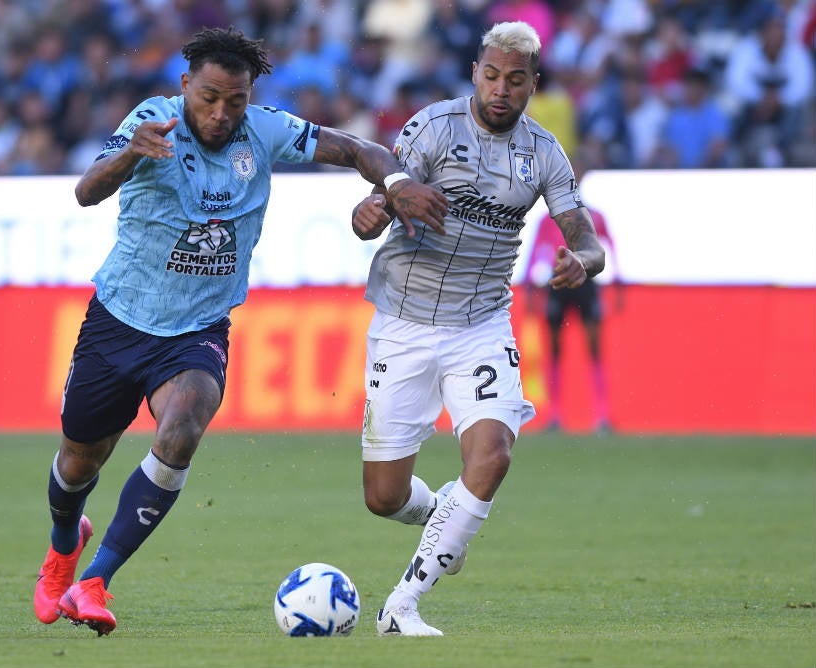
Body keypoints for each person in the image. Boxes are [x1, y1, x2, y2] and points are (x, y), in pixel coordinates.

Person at [32, 26, 448, 636]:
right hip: (117, 323)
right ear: (185, 87)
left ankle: (94, 582)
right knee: (75, 466)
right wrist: (129, 153)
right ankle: (64, 548)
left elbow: (359, 150)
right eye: (209, 98)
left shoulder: (267, 130)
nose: (222, 112)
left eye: (236, 100)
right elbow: (85, 191)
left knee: (184, 425)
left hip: (197, 331)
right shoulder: (152, 121)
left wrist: (394, 184)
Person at [350, 20, 604, 636]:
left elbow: (587, 238)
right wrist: (370, 212)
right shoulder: (434, 127)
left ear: (531, 85)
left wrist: (584, 261)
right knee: (384, 496)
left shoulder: (544, 152)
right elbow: (387, 193)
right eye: (491, 76)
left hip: (481, 324)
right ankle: (445, 517)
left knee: (493, 456)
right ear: (475, 74)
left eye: (515, 81)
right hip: (405, 321)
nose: (501, 90)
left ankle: (402, 605)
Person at [524, 152, 622, 432]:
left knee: (594, 347)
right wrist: (532, 286)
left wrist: (617, 286)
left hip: (585, 281)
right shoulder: (548, 220)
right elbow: (536, 253)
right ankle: (555, 415)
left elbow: (609, 249)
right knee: (554, 349)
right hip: (558, 283)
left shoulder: (594, 216)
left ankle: (602, 414)